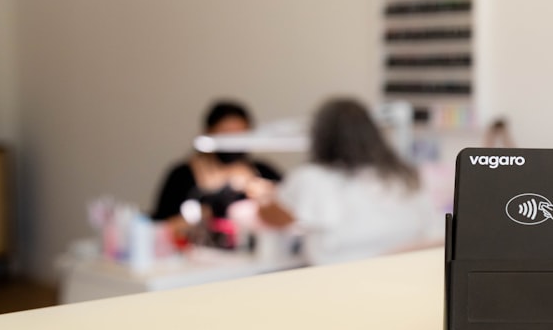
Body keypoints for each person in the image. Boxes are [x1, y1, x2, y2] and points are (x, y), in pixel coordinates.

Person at [258, 97, 435, 265]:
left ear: (320, 136)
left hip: (338, 273)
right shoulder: (402, 174)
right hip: (403, 268)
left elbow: (274, 216)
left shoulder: (313, 177)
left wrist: (263, 197)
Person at [151, 100, 282, 241]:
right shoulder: (182, 176)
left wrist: (265, 196)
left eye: (240, 135)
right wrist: (206, 208)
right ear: (209, 132)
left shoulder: (262, 172)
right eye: (226, 134)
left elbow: (289, 210)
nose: (233, 142)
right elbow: (161, 228)